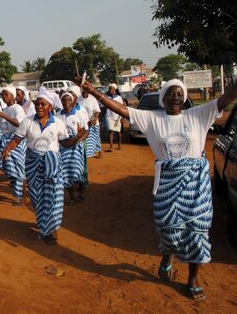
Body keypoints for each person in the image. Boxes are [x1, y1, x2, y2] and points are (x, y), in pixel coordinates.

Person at [80, 77, 237, 300]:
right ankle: (168, 254)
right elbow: (123, 110)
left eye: (179, 93)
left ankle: (193, 278)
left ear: (185, 98)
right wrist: (94, 91)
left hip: (196, 186)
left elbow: (227, 98)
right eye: (171, 93)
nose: (175, 96)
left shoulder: (199, 115)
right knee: (167, 228)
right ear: (163, 98)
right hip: (167, 184)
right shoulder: (153, 119)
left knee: (197, 232)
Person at [2, 90, 68, 245]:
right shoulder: (27, 122)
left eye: (42, 104)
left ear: (50, 106)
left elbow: (65, 142)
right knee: (37, 197)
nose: (39, 107)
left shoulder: (58, 123)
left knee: (53, 197)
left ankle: (51, 231)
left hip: (53, 166)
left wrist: (77, 138)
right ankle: (44, 222)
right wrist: (7, 148)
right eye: (37, 104)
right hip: (33, 164)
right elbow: (17, 139)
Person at [0, 87, 28, 206]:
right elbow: (1, 125)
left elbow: (19, 123)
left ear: (13, 96)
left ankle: (22, 197)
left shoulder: (17, 108)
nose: (3, 96)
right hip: (6, 141)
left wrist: (2, 114)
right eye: (2, 94)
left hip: (16, 141)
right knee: (10, 169)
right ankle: (17, 193)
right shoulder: (5, 109)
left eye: (5, 94)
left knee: (19, 170)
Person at [57, 91, 89, 205]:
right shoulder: (58, 115)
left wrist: (79, 140)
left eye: (69, 100)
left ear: (73, 101)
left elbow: (86, 131)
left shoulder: (78, 113)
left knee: (78, 170)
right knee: (65, 171)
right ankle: (71, 197)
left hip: (76, 145)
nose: (66, 102)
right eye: (64, 100)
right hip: (63, 145)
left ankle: (82, 189)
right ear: (61, 102)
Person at [78, 88, 103, 158]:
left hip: (93, 122)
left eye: (86, 93)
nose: (85, 94)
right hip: (84, 123)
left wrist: (95, 119)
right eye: (83, 93)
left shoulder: (93, 99)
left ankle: (99, 151)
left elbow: (97, 110)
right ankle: (87, 153)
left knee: (96, 137)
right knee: (85, 138)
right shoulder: (78, 99)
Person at [104, 84, 124, 151]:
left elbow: (122, 108)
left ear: (115, 90)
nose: (111, 90)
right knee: (111, 131)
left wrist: (122, 118)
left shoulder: (118, 97)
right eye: (110, 89)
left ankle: (119, 145)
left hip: (117, 116)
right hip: (109, 116)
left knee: (118, 132)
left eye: (112, 89)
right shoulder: (107, 97)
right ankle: (111, 147)